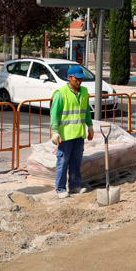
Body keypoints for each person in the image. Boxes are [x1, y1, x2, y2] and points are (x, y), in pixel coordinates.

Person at [50, 65, 94, 199]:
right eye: (77, 79)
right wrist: (55, 131)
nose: (79, 82)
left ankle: (75, 186)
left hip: (79, 134)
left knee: (76, 161)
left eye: (81, 79)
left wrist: (90, 126)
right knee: (63, 162)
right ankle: (61, 188)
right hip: (65, 136)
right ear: (69, 78)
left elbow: (86, 111)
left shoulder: (84, 92)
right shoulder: (61, 93)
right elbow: (54, 114)